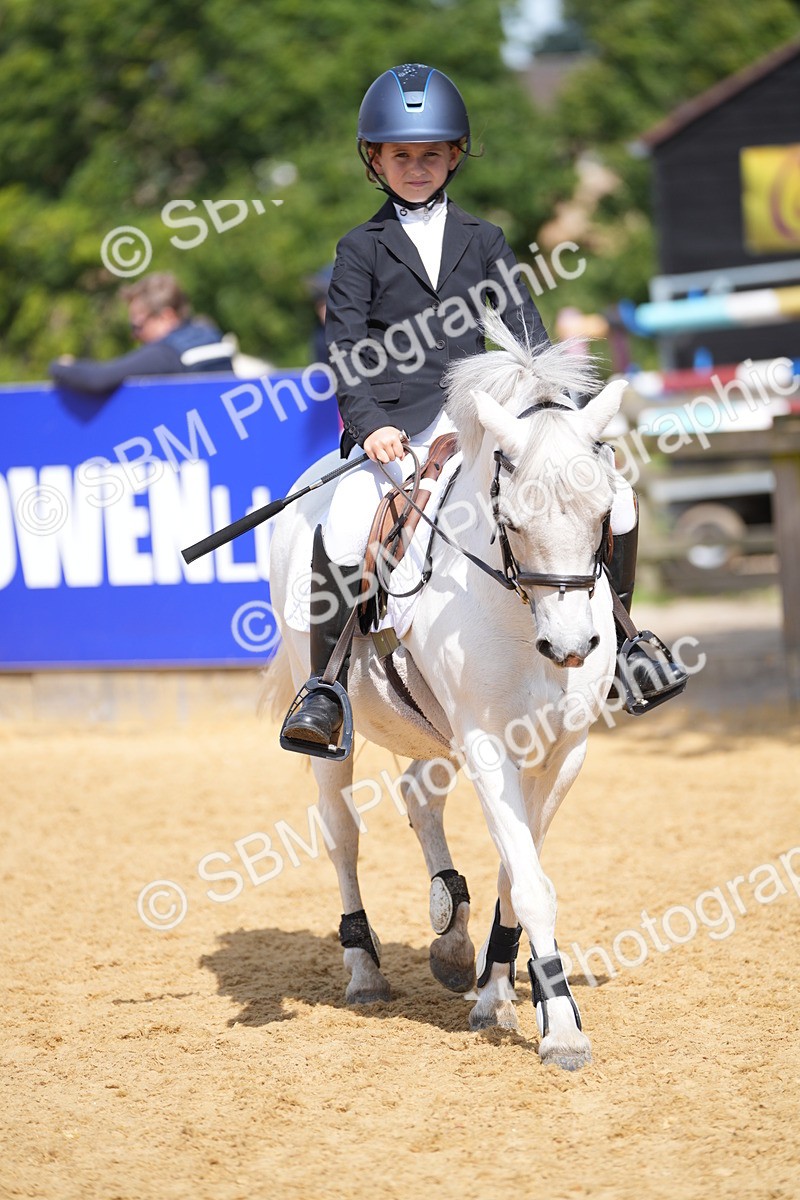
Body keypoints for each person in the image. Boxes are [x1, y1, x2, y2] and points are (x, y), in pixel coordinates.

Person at [282, 64, 685, 752]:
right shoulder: (359, 249)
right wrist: (371, 422)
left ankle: (624, 642)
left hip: (488, 422)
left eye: (431, 154)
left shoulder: (487, 240)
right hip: (397, 432)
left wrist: (560, 414)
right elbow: (344, 348)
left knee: (616, 500)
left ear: (455, 156)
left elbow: (528, 334)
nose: (416, 167)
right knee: (347, 526)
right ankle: (324, 687)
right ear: (375, 160)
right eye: (401, 155)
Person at [49, 272, 235, 395]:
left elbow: (98, 380)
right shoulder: (211, 336)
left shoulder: (166, 354)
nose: (134, 336)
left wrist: (61, 366)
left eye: (137, 326)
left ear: (166, 317)